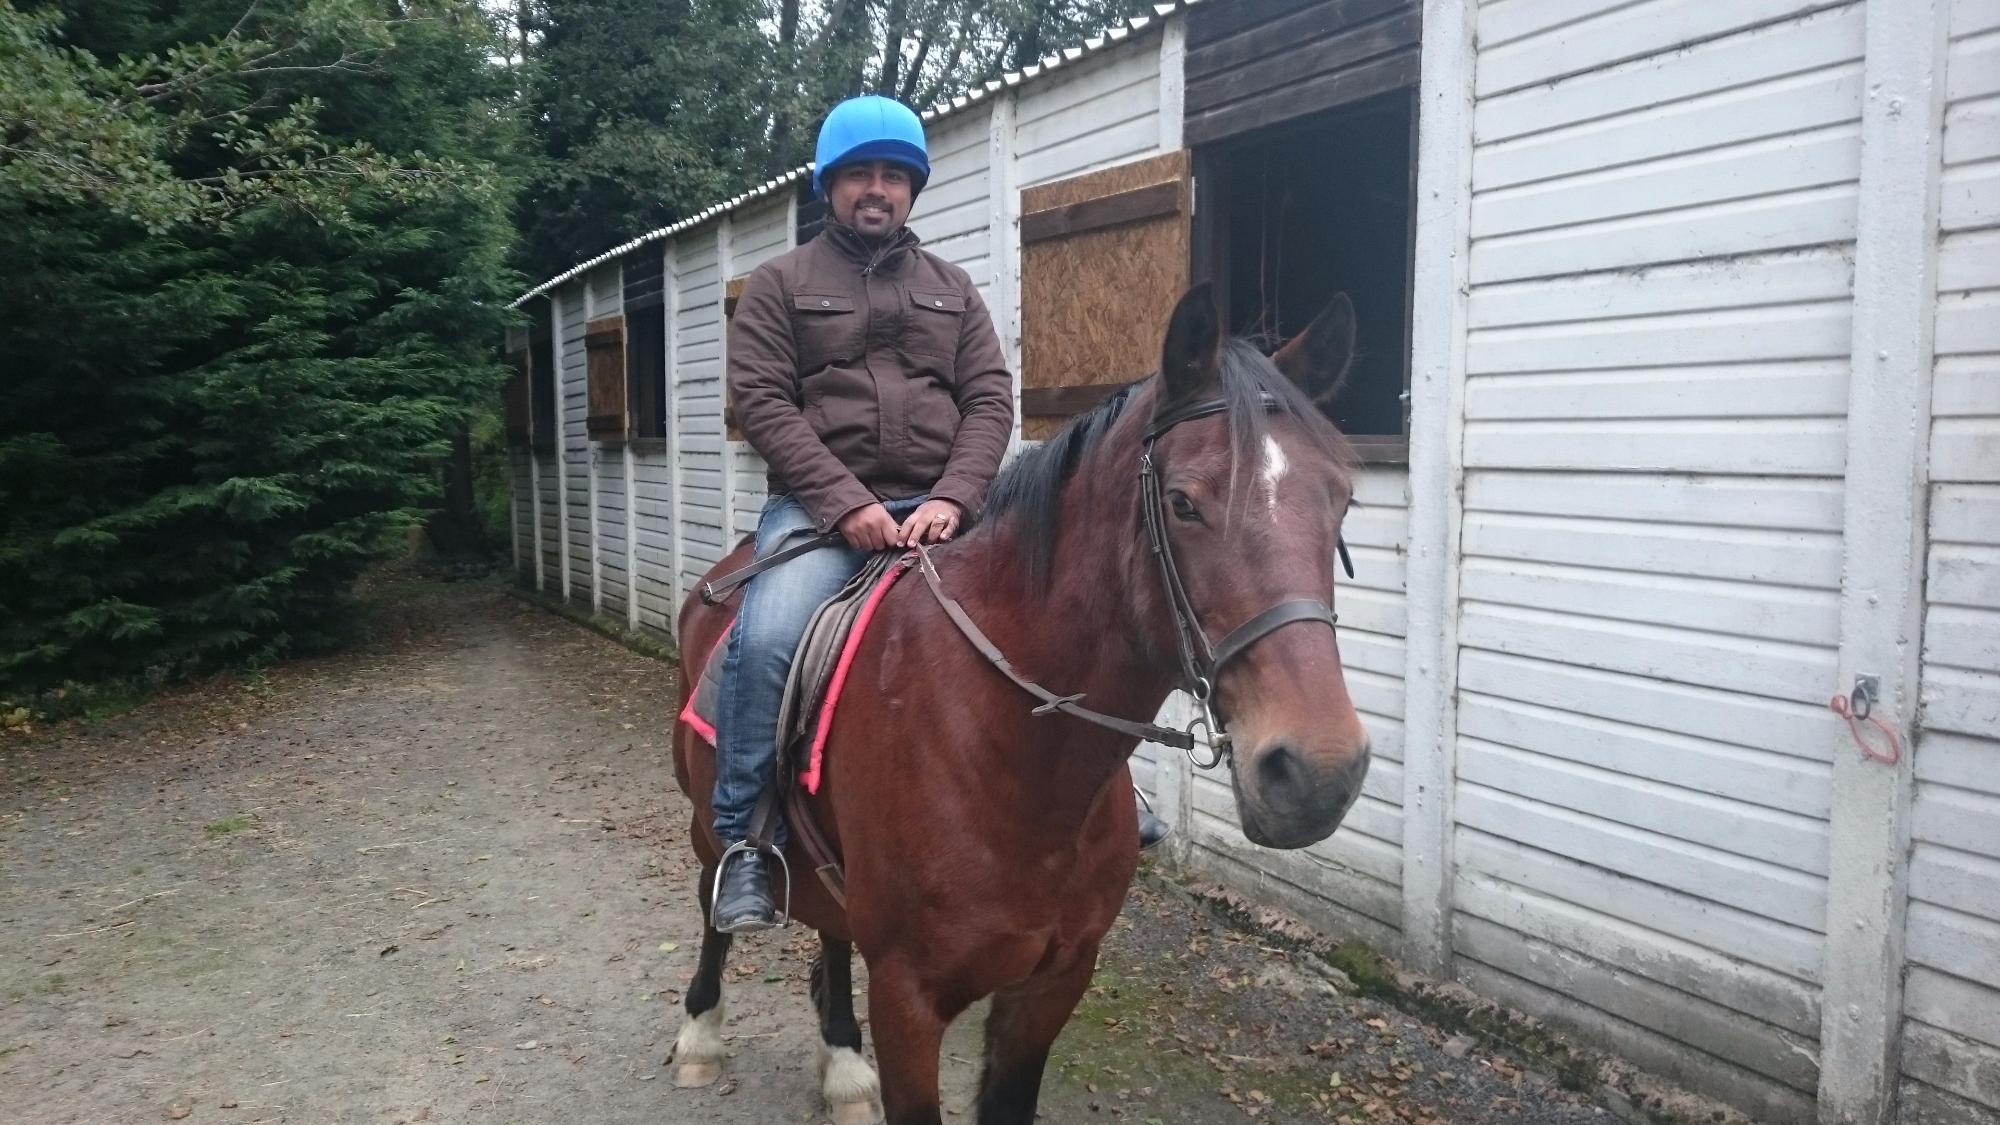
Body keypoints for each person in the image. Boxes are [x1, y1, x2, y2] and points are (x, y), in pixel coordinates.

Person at [711, 94, 1168, 935]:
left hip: (944, 504)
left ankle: (1111, 790)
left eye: (893, 175)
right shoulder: (779, 286)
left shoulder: (952, 291)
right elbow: (766, 405)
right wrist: (846, 504)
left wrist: (957, 497)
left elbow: (991, 399)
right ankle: (745, 836)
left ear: (912, 188)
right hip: (818, 511)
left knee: (1056, 606)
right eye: (860, 175)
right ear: (831, 186)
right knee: (769, 633)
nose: (876, 190)